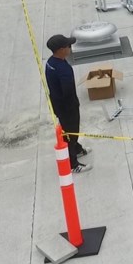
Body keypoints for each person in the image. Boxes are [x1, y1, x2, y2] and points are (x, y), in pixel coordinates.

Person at [45, 34, 92, 173]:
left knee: (71, 134)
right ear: (61, 50)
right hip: (67, 108)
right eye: (68, 46)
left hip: (57, 104)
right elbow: (68, 91)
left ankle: (77, 149)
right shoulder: (63, 70)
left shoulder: (50, 62)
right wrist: (72, 106)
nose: (70, 48)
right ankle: (73, 164)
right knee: (71, 135)